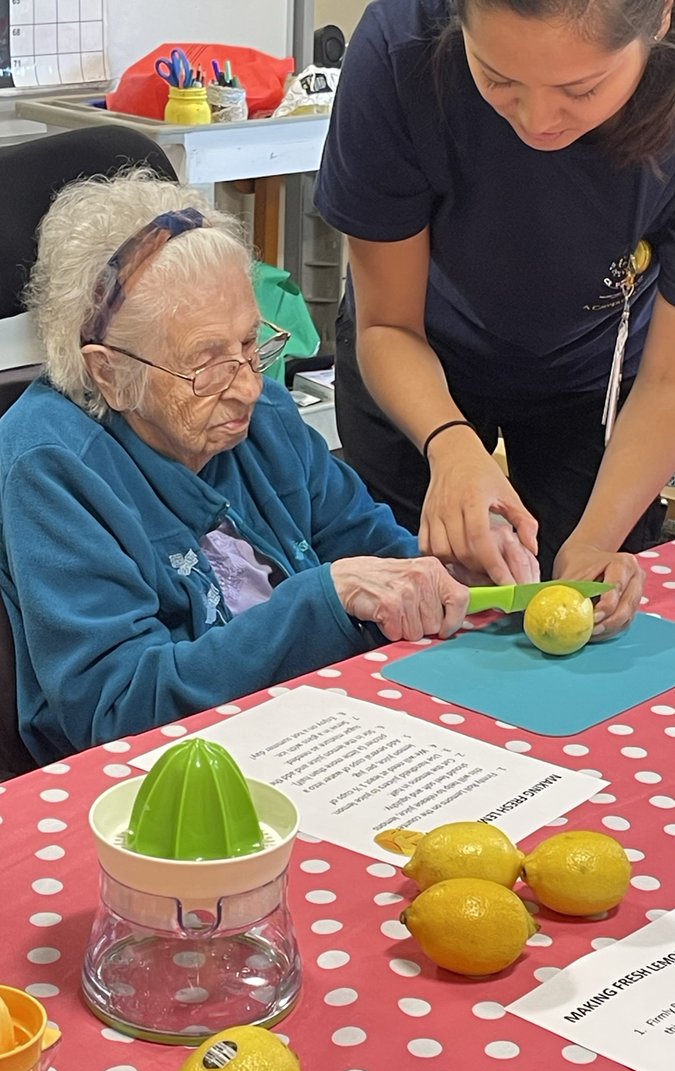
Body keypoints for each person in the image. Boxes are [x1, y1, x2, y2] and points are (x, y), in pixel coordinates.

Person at [0, 170, 534, 766]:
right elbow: (116, 706)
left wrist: (456, 566)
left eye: (252, 344)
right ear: (107, 373)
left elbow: (371, 546)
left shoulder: (265, 415)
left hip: (320, 731)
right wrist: (326, 597)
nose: (250, 388)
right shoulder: (49, 465)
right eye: (207, 363)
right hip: (162, 780)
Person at [315, 0, 675, 637]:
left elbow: (667, 380)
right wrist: (449, 445)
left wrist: (595, 543)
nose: (538, 122)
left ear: (662, 24)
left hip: (600, 373)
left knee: (587, 606)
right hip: (415, 356)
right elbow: (387, 325)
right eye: (499, 79)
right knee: (412, 613)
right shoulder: (402, 50)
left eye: (581, 89)